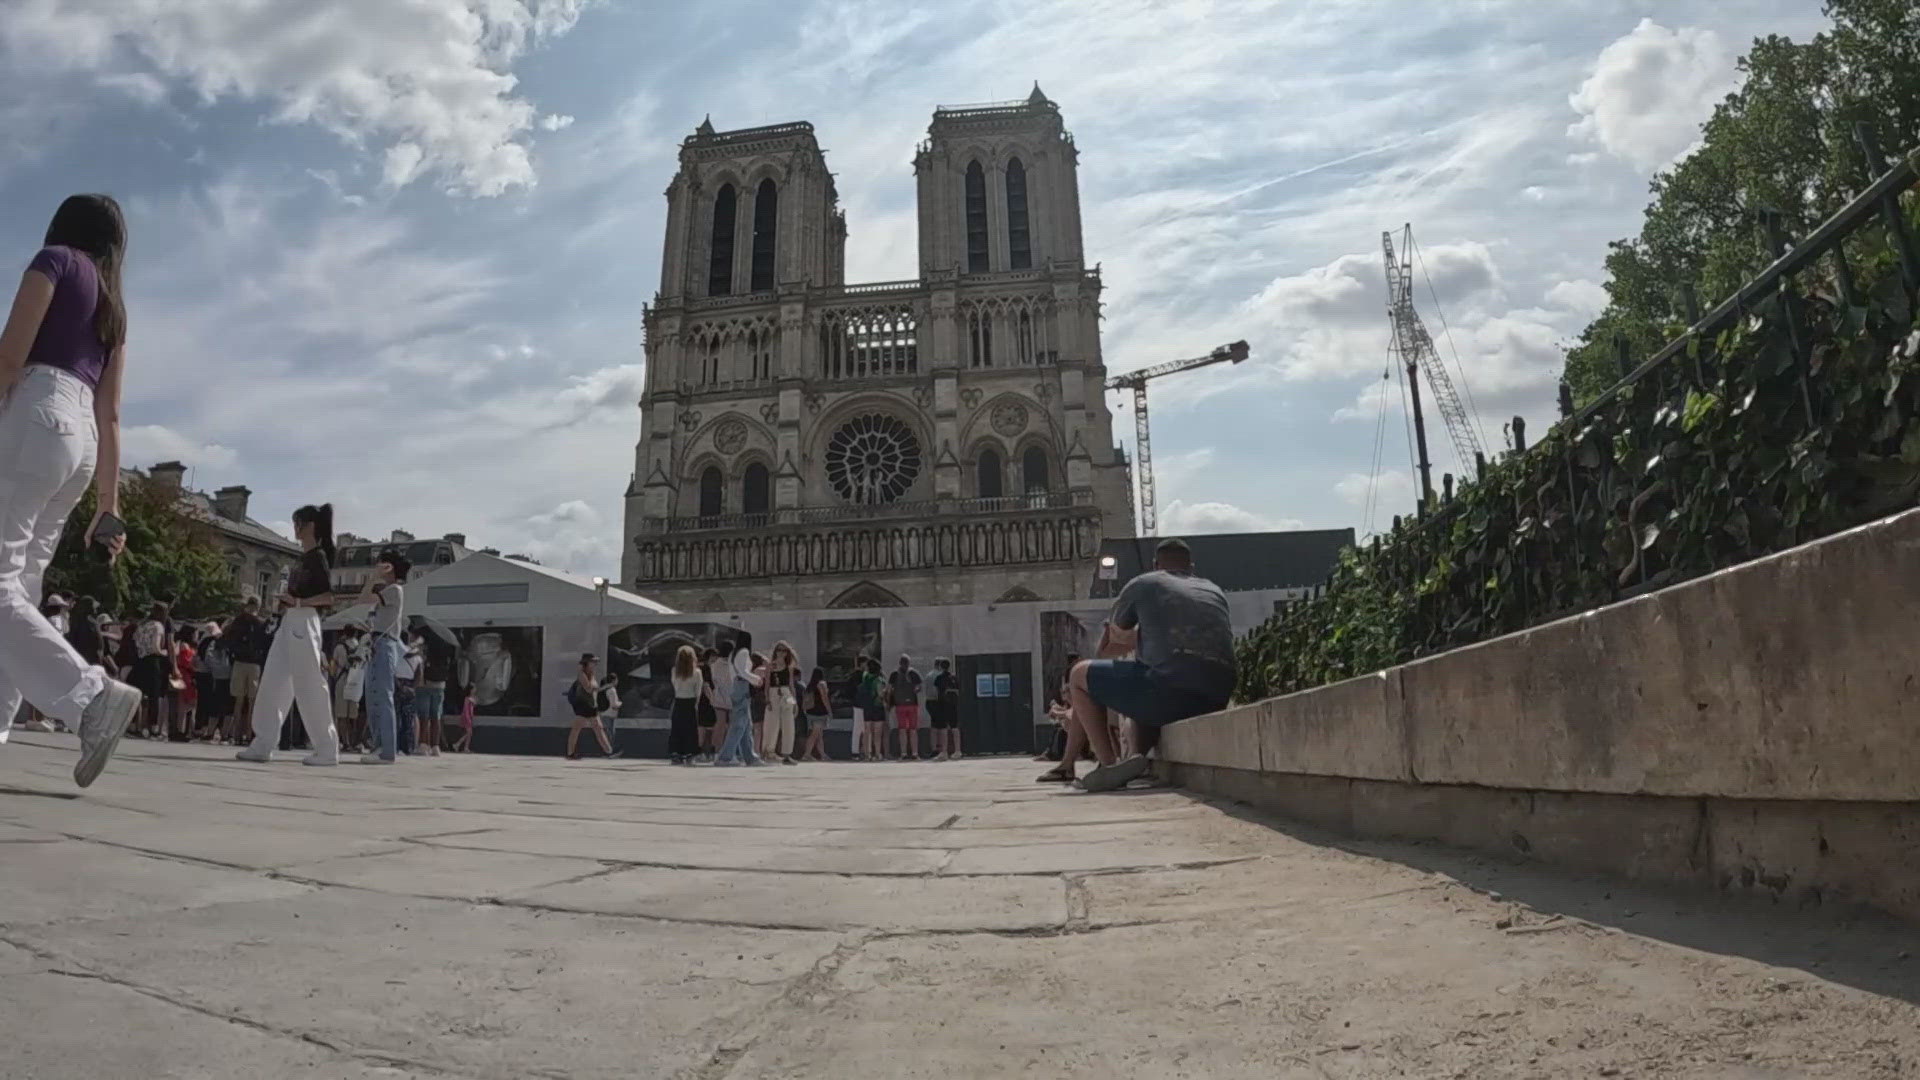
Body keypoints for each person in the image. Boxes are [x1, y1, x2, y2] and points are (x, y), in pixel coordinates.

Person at [0, 194, 143, 785]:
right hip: (80, 439)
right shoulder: (114, 308)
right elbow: (111, 418)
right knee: (20, 587)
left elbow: (10, 355)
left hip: (36, 411)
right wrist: (108, 508)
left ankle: (91, 697)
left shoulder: (54, 261)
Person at [1047, 538, 1236, 792]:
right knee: (1144, 679)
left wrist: (1127, 639)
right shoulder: (1213, 590)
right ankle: (1137, 758)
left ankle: (1108, 764)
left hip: (1169, 690)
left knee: (1079, 674)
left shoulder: (1145, 583)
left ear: (1156, 564)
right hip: (1217, 694)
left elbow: (1114, 640)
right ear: (1191, 567)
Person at [237, 504, 342, 765]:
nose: (294, 528)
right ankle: (263, 741)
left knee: (308, 684)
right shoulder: (305, 558)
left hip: (303, 620)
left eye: (298, 524)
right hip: (291, 620)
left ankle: (327, 748)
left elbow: (329, 597)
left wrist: (296, 603)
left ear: (310, 526)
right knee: (273, 680)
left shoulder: (317, 557)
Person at [356, 549, 409, 764]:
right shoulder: (389, 591)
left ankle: (387, 750)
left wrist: (373, 578)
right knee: (373, 696)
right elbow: (363, 601)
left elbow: (363, 598)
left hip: (385, 644)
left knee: (383, 696)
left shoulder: (395, 589)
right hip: (377, 643)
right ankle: (379, 745)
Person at [222, 597, 270, 744]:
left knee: (238, 700)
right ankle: (249, 735)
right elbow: (266, 642)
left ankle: (236, 734)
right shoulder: (262, 623)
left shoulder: (238, 620)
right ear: (259, 606)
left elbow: (227, 638)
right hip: (254, 663)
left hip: (239, 661)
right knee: (252, 701)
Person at [713, 639, 763, 766]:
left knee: (745, 725)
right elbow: (743, 672)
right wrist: (756, 679)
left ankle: (750, 756)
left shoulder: (732, 655)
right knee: (739, 724)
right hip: (742, 685)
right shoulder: (744, 652)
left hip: (735, 686)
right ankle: (725, 757)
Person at [132, 602, 172, 739]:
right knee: (154, 696)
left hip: (140, 661)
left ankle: (134, 725)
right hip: (153, 661)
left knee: (139, 695)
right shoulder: (158, 626)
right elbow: (155, 647)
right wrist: (165, 652)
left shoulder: (142, 625)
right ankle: (153, 726)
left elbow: (136, 642)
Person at [565, 653, 616, 760]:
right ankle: (570, 753)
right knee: (577, 729)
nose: (595, 664)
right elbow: (588, 688)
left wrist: (601, 687)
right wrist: (599, 687)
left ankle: (609, 751)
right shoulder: (582, 674)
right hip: (583, 705)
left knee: (598, 728)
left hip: (591, 705)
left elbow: (593, 689)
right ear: (587, 663)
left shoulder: (591, 673)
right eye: (593, 662)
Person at [761, 640, 800, 764]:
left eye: (784, 651)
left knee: (788, 724)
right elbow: (767, 684)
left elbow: (791, 685)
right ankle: (768, 751)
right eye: (779, 650)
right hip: (773, 693)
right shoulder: (770, 666)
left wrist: (795, 702)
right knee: (772, 724)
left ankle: (787, 754)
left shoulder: (789, 667)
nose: (781, 653)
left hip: (786, 694)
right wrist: (767, 699)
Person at [667, 644, 702, 765]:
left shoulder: (674, 671)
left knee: (677, 728)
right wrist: (696, 704)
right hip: (690, 702)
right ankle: (690, 754)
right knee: (690, 729)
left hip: (679, 701)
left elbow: (674, 686)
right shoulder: (697, 672)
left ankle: (676, 753)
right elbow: (698, 691)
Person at [415, 633, 450, 755]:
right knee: (436, 717)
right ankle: (436, 746)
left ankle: (423, 745)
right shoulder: (444, 647)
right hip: (440, 685)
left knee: (424, 717)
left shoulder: (424, 649)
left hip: (425, 684)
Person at [889, 654, 923, 761]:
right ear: (909, 663)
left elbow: (890, 689)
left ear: (899, 663)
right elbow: (919, 687)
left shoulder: (894, 674)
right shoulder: (913, 673)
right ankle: (914, 753)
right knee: (913, 729)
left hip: (899, 705)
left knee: (902, 729)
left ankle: (903, 753)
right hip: (912, 704)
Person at [929, 657, 960, 761]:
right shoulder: (954, 678)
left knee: (943, 729)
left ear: (941, 667)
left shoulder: (939, 678)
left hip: (942, 705)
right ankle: (957, 751)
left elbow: (938, 692)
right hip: (953, 705)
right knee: (955, 728)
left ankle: (944, 752)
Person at [800, 666, 831, 762]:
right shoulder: (821, 684)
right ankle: (807, 754)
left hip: (811, 712)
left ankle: (822, 754)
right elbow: (824, 698)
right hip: (820, 712)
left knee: (819, 735)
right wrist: (829, 710)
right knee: (814, 734)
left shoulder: (810, 685)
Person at [859, 657, 886, 761]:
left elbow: (865, 672)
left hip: (867, 706)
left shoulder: (865, 677)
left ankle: (867, 754)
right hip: (877, 706)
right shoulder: (879, 679)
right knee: (877, 733)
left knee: (867, 731)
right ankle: (877, 753)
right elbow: (880, 694)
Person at [451, 689, 474, 753]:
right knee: (469, 733)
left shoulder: (471, 699)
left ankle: (465, 747)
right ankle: (458, 744)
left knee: (469, 733)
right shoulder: (467, 699)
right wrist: (467, 718)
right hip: (467, 717)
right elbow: (466, 709)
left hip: (469, 717)